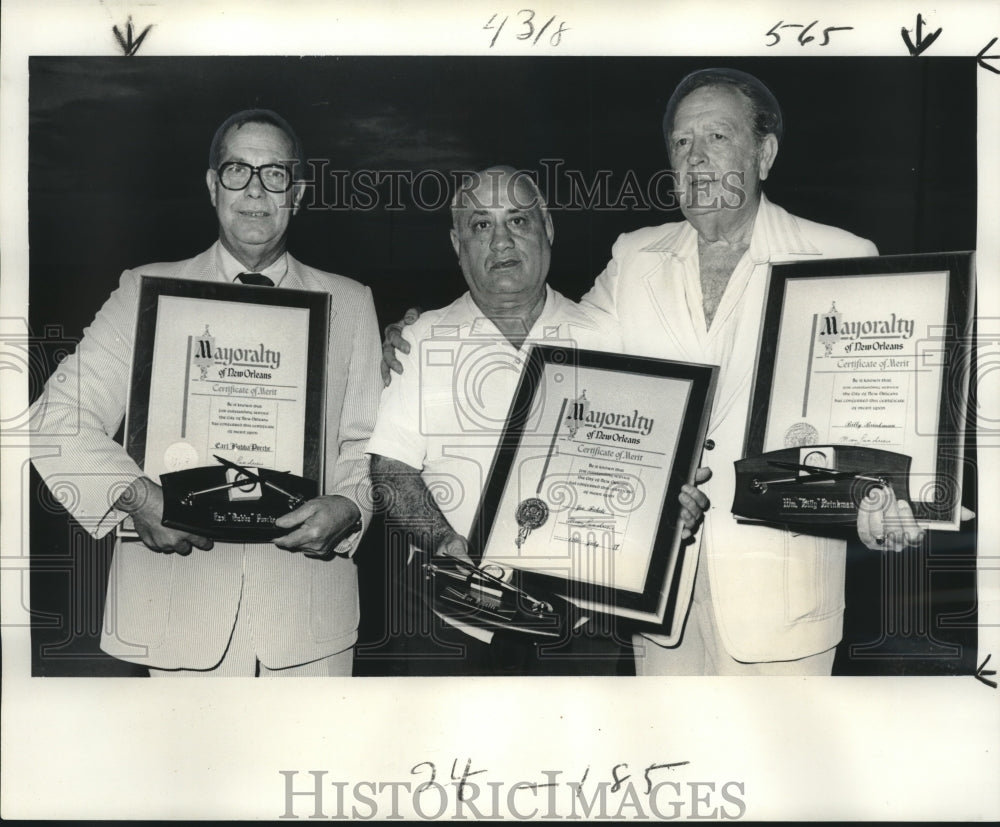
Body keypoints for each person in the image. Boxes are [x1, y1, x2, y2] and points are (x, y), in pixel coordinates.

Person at [381, 69, 935, 676]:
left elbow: (884, 415)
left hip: (780, 599)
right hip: (650, 596)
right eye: (680, 143)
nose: (696, 158)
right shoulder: (635, 256)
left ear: (765, 153)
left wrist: (892, 499)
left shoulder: (839, 258)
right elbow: (559, 349)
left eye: (717, 137)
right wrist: (414, 334)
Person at [30, 109, 383, 676]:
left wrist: (349, 506)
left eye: (275, 174)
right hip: (176, 616)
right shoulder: (145, 291)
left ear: (298, 191)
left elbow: (365, 438)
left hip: (309, 625)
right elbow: (53, 418)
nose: (256, 190)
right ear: (212, 185)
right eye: (238, 170)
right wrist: (137, 497)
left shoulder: (350, 302)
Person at [367, 166, 709, 675]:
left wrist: (666, 510)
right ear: (457, 242)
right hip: (449, 620)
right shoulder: (421, 339)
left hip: (581, 623)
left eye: (519, 221)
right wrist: (443, 542)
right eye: (481, 225)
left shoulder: (607, 335)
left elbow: (647, 457)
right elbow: (390, 468)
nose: (501, 240)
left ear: (547, 228)